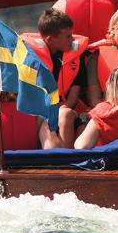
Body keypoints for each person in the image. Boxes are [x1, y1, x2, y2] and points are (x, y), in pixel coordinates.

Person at [22, 9, 89, 148]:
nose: (73, 40)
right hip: (39, 111)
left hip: (65, 108)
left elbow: (72, 97)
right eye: (68, 36)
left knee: (65, 115)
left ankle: (66, 161)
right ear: (50, 39)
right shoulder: (31, 58)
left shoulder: (76, 56)